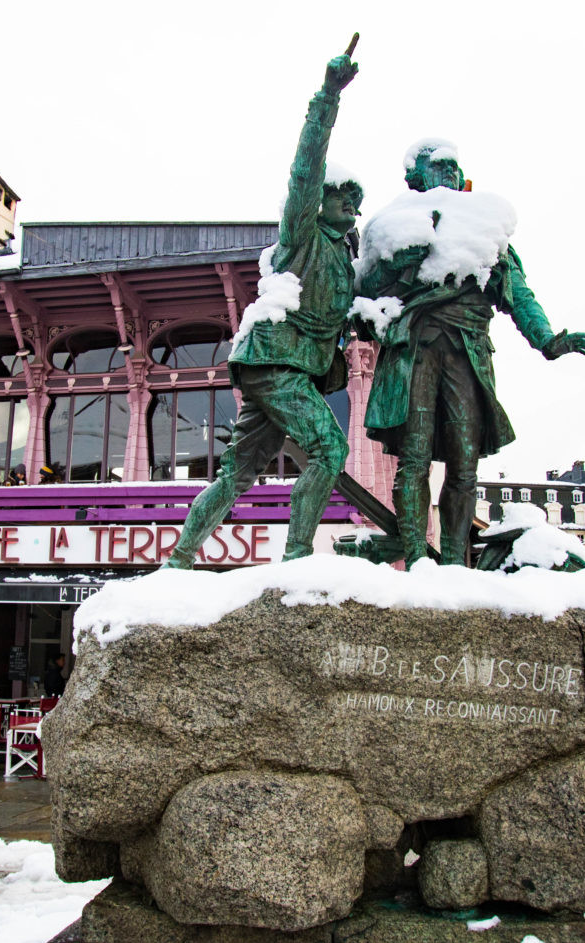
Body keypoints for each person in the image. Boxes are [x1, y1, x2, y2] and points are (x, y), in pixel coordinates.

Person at [166, 45, 361, 568]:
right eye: (343, 195)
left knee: (236, 474)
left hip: (289, 368)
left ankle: (179, 558)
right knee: (330, 450)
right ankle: (297, 555)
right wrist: (327, 99)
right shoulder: (303, 234)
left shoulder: (347, 258)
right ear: (321, 201)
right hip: (277, 361)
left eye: (357, 199)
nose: (352, 204)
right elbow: (306, 169)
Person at [357, 139, 585, 567]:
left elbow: (518, 293)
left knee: (465, 464)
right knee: (414, 457)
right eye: (438, 166)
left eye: (453, 167)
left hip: (468, 352)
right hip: (416, 348)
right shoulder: (394, 223)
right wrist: (395, 265)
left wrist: (547, 340)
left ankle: (452, 561)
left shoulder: (484, 227)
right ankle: (415, 558)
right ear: (416, 175)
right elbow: (364, 289)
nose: (447, 173)